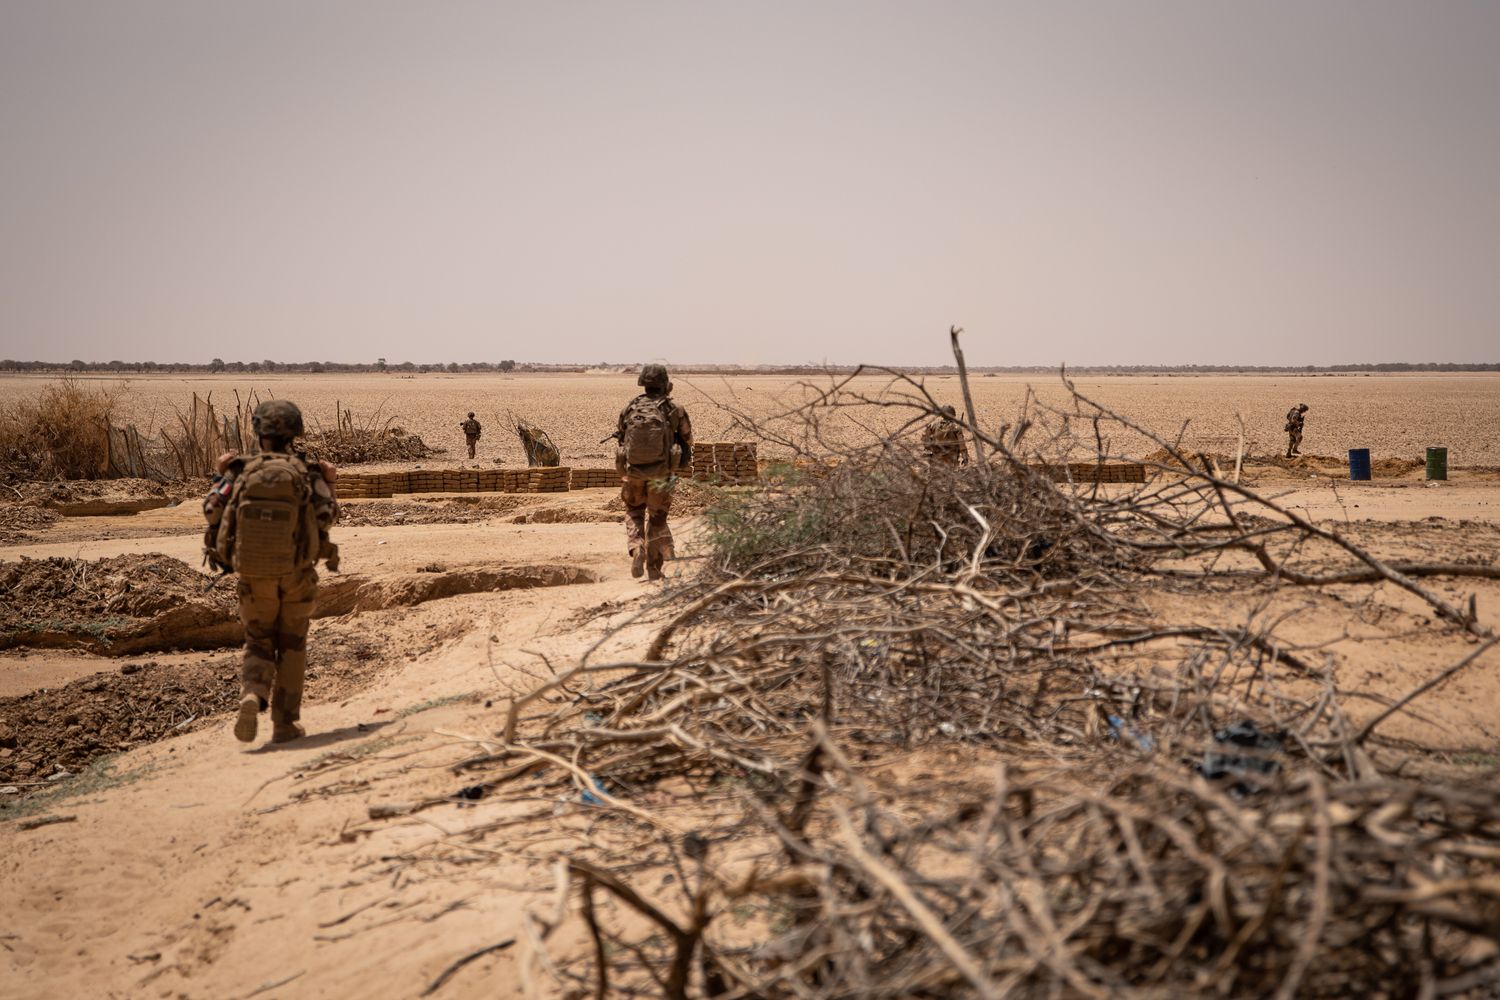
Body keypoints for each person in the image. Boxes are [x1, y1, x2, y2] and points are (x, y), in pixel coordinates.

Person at [203, 400, 340, 744]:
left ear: (258, 432)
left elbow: (211, 510)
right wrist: (331, 482)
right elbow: (326, 517)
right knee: (292, 645)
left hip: (253, 574)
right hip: (296, 573)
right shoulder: (306, 473)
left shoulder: (240, 471)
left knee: (259, 640)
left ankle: (253, 693)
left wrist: (220, 474)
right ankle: (284, 724)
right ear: (295, 432)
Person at [615, 364, 693, 581]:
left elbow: (622, 434)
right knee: (657, 519)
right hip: (661, 474)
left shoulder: (630, 407)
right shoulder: (674, 409)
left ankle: (637, 547)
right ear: (665, 384)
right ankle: (654, 569)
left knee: (634, 511)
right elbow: (687, 437)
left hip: (634, 473)